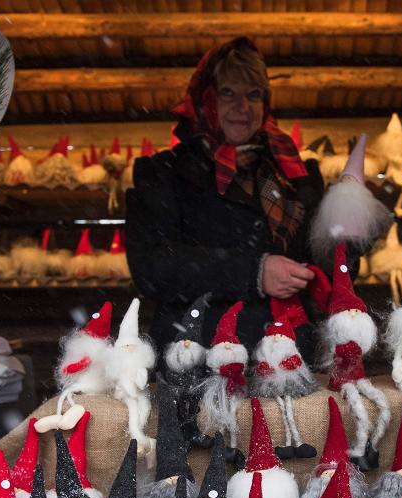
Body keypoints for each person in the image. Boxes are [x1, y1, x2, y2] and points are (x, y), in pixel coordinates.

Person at [127, 37, 351, 361]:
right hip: (197, 358)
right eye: (227, 93)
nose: (242, 107)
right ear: (205, 100)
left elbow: (325, 269)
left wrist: (349, 238)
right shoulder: (165, 174)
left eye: (254, 95)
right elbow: (153, 266)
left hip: (288, 358)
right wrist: (254, 273)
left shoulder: (296, 174)